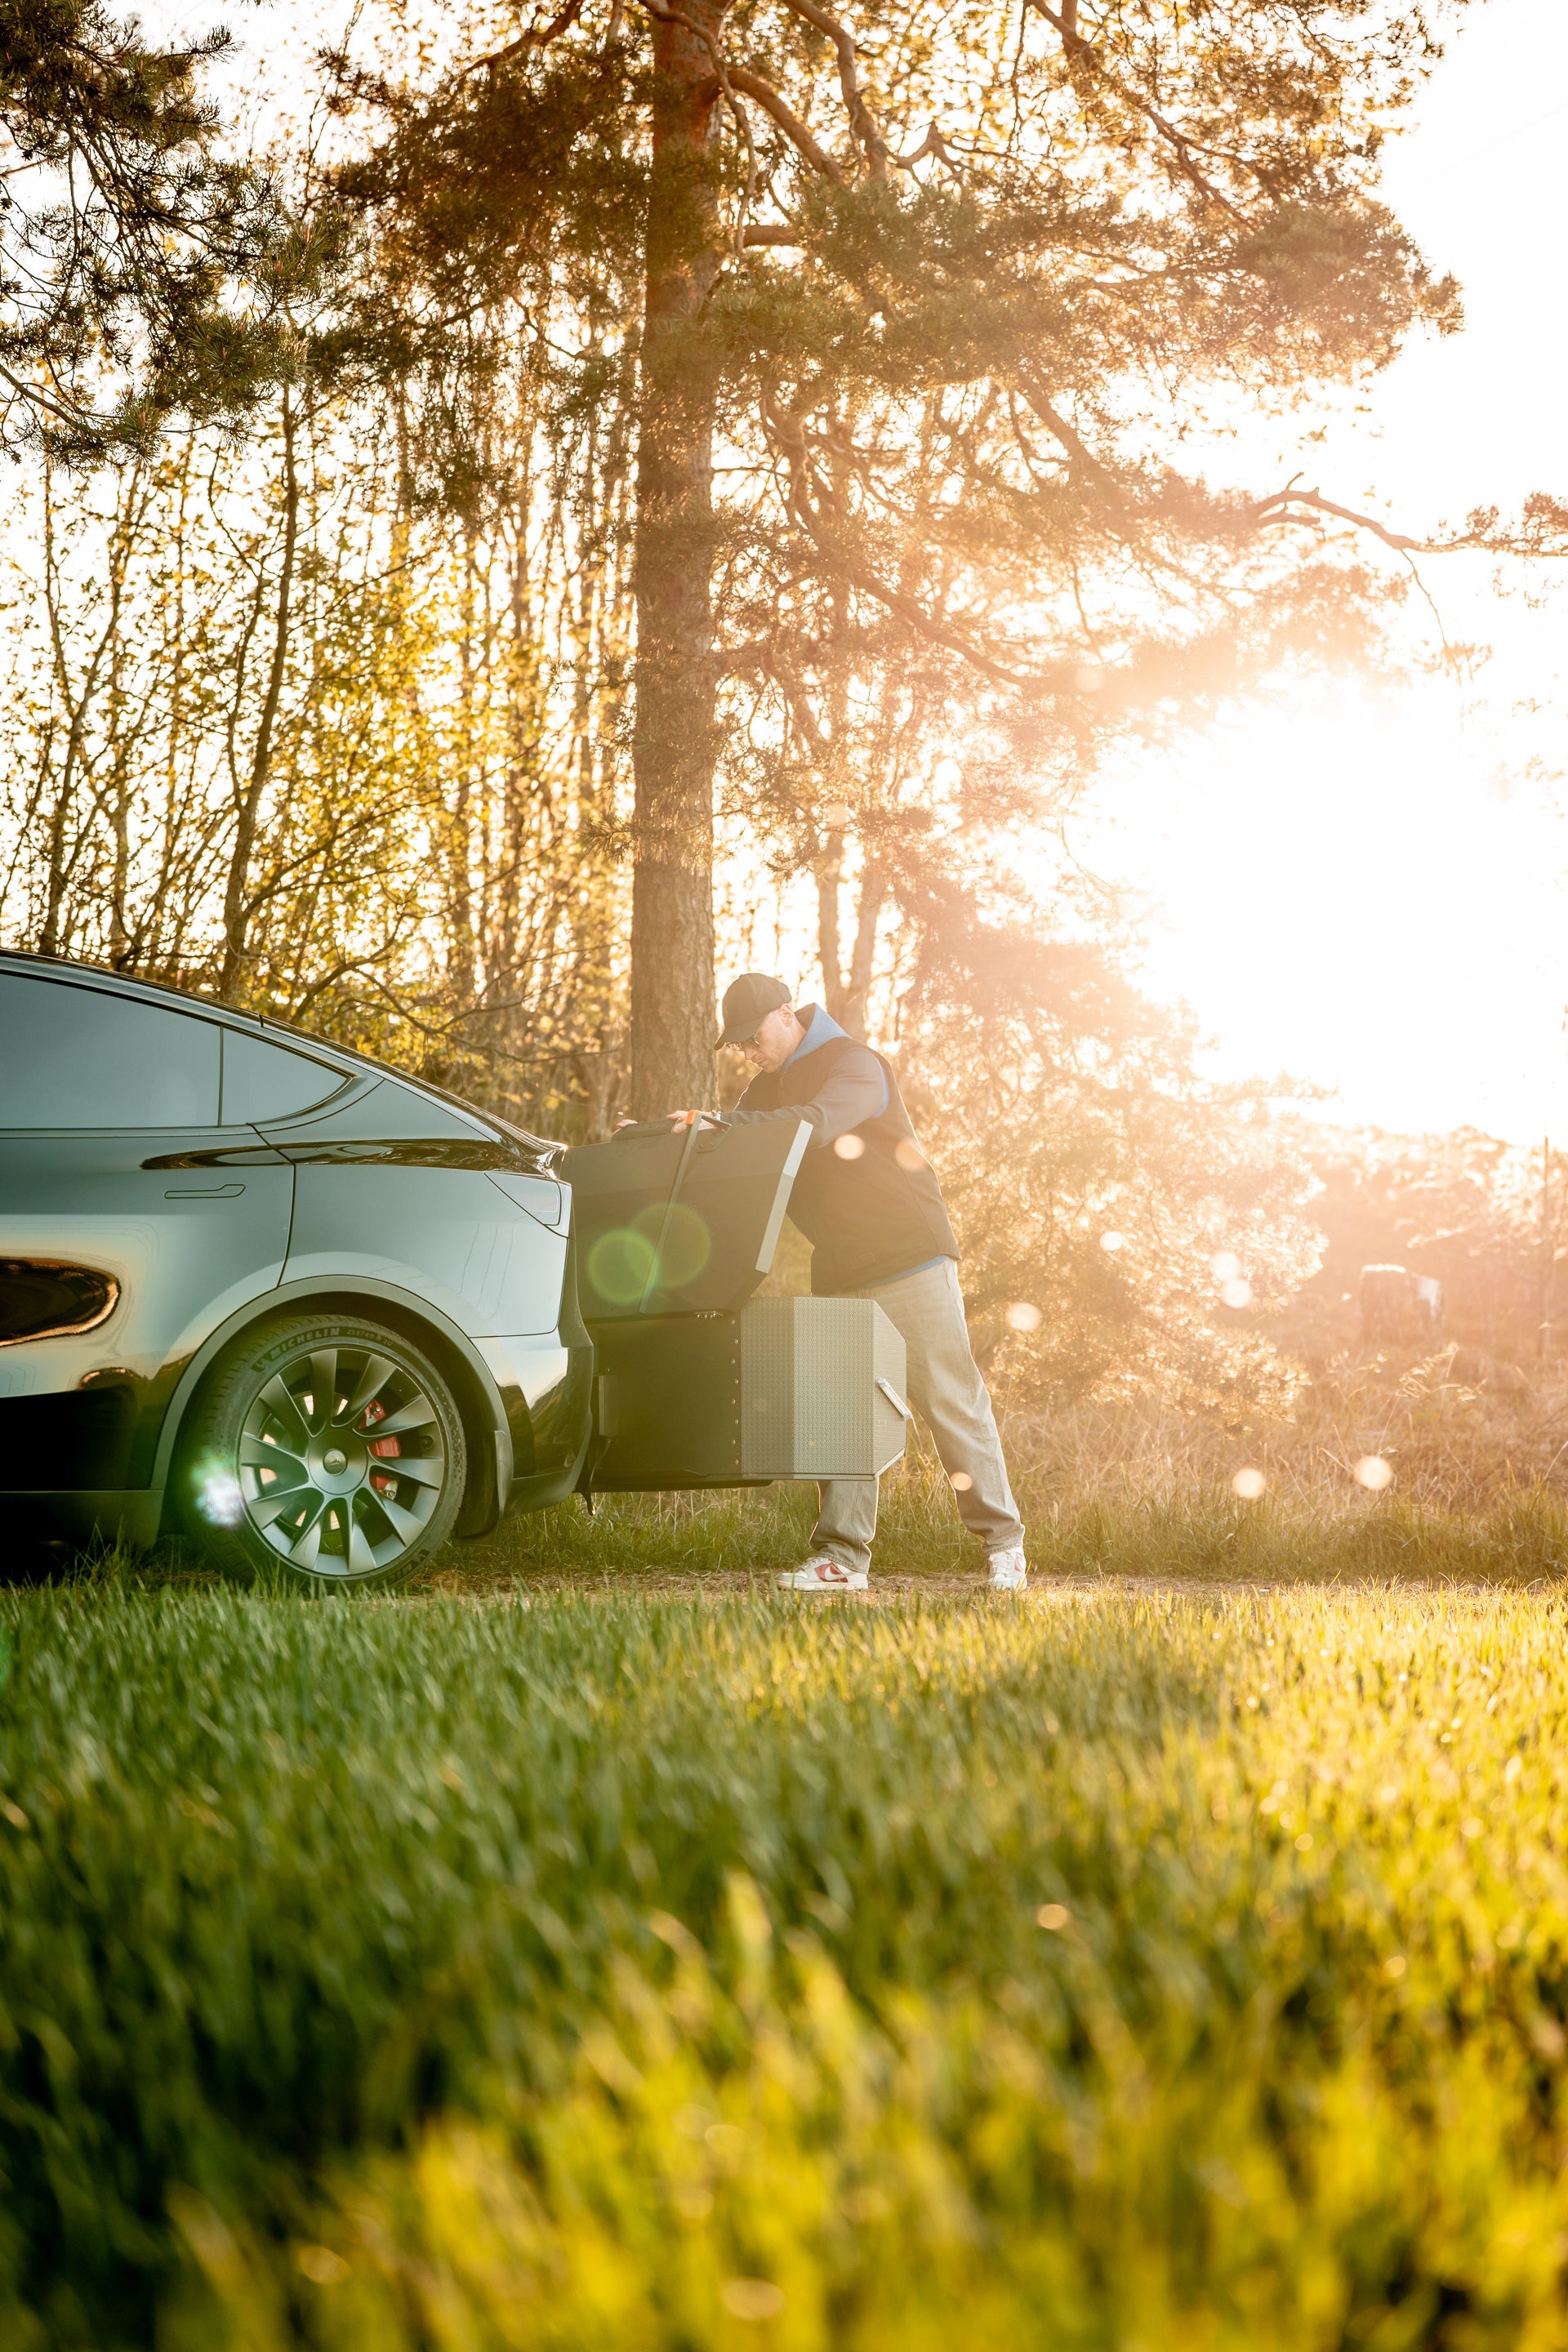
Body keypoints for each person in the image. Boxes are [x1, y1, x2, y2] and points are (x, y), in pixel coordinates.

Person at [670, 971, 1027, 1593]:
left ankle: (1005, 1547)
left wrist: (722, 1123)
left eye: (753, 1037)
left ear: (787, 1014)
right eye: (739, 1045)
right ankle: (842, 1559)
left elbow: (815, 1123)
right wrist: (667, 1139)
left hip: (910, 1256)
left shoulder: (856, 1063)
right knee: (844, 1414)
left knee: (949, 1401)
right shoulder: (764, 1089)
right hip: (842, 1266)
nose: (748, 1052)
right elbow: (736, 1147)